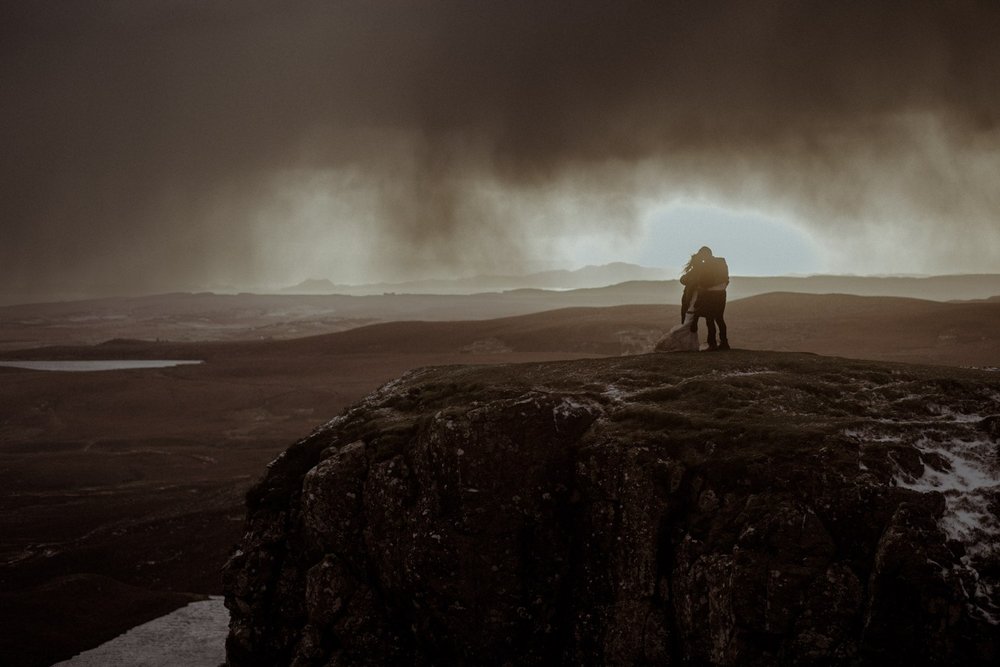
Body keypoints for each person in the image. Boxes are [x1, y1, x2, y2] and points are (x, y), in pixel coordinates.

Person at [691, 246, 730, 351]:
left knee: (710, 319)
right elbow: (726, 278)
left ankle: (712, 344)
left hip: (710, 294)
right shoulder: (722, 262)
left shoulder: (705, 265)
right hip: (721, 293)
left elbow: (703, 282)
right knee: (719, 318)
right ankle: (724, 343)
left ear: (704, 254)